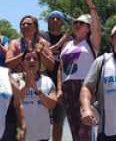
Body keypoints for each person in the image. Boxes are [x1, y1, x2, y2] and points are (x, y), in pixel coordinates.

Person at [60, 0, 101, 141]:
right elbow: (61, 68)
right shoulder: (67, 45)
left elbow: (97, 27)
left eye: (81, 22)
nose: (77, 24)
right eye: (75, 22)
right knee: (74, 129)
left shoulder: (91, 43)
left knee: (86, 130)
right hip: (67, 88)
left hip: (84, 87)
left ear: (88, 27)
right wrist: (60, 88)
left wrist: (92, 7)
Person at [15, 50, 59, 141]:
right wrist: (27, 86)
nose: (32, 61)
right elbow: (14, 104)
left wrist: (37, 91)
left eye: (35, 58)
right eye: (27, 58)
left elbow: (52, 105)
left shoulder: (48, 81)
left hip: (42, 135)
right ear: (22, 63)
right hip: (21, 136)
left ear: (39, 63)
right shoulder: (15, 79)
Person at [40, 11, 68, 141]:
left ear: (62, 22)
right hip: (41, 83)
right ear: (48, 20)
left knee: (58, 121)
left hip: (60, 85)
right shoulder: (41, 36)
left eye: (58, 18)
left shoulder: (69, 39)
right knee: (38, 118)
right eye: (52, 18)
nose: (55, 20)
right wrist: (59, 43)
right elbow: (40, 51)